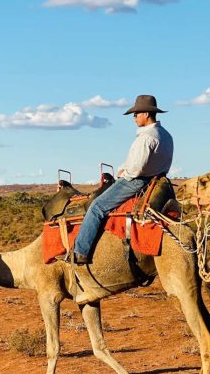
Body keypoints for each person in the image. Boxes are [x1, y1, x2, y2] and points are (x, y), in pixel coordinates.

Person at [67, 94, 174, 264]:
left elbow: (137, 168)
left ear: (146, 114)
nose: (134, 118)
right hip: (158, 181)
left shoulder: (147, 137)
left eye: (136, 114)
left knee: (96, 207)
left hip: (137, 181)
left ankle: (80, 252)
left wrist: (124, 173)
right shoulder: (165, 135)